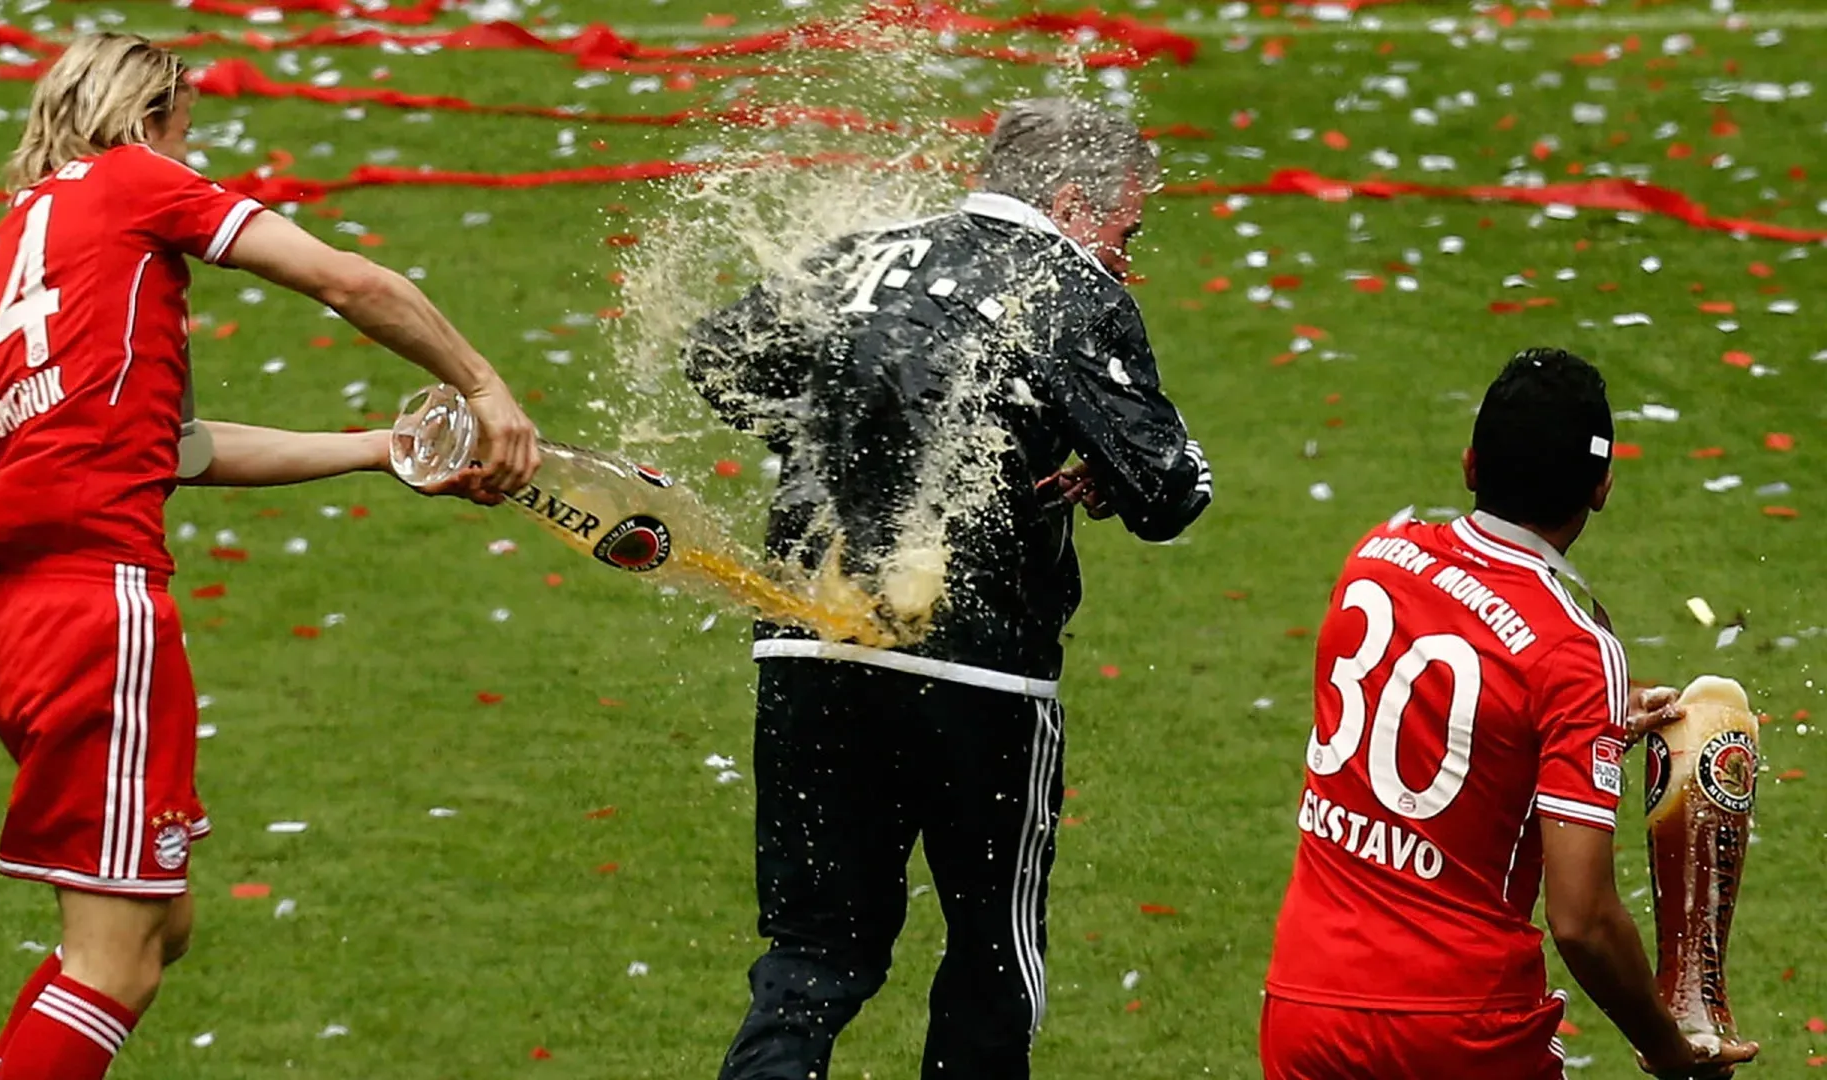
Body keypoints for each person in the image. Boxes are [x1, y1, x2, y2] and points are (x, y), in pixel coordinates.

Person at [0, 33, 541, 1080]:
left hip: (24, 623)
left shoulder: (16, 243)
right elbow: (347, 282)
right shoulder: (138, 181)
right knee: (114, 961)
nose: (195, 155)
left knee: (156, 924)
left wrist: (376, 449)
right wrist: (483, 383)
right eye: (188, 131)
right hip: (103, 614)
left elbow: (175, 448)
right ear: (146, 121)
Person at [685, 98, 1213, 1080]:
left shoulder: (863, 253)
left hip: (808, 644)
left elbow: (715, 359)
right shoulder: (1068, 285)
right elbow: (1169, 491)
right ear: (1070, 200)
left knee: (811, 956)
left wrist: (840, 439)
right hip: (979, 673)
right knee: (989, 955)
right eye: (1126, 230)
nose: (1126, 255)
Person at [1258, 349, 1759, 1079]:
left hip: (1307, 1009)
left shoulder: (1377, 558)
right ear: (1601, 488)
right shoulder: (1575, 652)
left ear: (1469, 463)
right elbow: (1581, 921)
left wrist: (1585, 725)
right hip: (1461, 1033)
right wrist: (1669, 1049)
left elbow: (1431, 721)